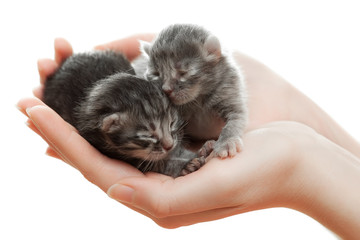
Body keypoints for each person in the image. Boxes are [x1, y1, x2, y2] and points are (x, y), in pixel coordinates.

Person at [17, 36, 360, 239]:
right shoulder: (108, 126)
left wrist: (301, 154)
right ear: (110, 128)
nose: (168, 144)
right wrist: (305, 130)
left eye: (170, 124)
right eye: (152, 137)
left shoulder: (154, 96)